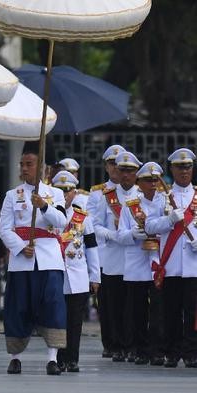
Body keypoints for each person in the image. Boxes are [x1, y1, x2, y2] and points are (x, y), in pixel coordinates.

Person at [0, 141, 68, 376]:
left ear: (41, 167)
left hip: (49, 257)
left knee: (52, 305)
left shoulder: (55, 193)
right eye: (22, 164)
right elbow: (4, 229)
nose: (24, 168)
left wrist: (45, 206)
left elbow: (62, 223)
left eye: (29, 164)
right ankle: (15, 357)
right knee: (18, 307)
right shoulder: (11, 195)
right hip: (22, 260)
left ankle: (52, 358)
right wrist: (19, 247)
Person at [145, 148, 197, 368]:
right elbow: (149, 225)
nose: (184, 171)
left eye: (188, 166)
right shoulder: (162, 197)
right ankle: (172, 352)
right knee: (171, 311)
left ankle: (192, 352)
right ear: (172, 169)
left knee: (193, 312)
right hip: (172, 263)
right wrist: (169, 220)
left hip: (194, 265)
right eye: (179, 167)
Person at [92, 150, 141, 362]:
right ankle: (116, 344)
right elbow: (94, 225)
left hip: (137, 258)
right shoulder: (106, 197)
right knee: (114, 306)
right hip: (112, 257)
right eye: (121, 169)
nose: (124, 174)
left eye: (129, 170)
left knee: (135, 307)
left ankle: (133, 345)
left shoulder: (142, 194)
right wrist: (114, 235)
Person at [52, 171, 100, 372]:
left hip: (78, 277)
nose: (65, 194)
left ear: (75, 192)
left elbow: (92, 247)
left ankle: (73, 359)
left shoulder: (82, 217)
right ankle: (58, 358)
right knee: (57, 320)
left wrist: (95, 275)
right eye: (60, 190)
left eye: (68, 190)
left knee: (75, 321)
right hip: (55, 275)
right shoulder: (49, 215)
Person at [117, 162, 164, 365]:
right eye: (147, 180)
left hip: (159, 262)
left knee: (158, 310)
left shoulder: (166, 203)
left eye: (155, 180)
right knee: (136, 311)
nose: (152, 184)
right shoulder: (131, 205)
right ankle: (139, 348)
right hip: (137, 263)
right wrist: (133, 234)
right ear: (139, 182)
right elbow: (121, 235)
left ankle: (156, 349)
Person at [87, 144, 125, 359]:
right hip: (106, 254)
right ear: (106, 166)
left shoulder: (134, 190)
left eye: (120, 164)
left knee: (127, 303)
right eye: (112, 164)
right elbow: (91, 223)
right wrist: (112, 234)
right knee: (107, 304)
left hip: (129, 255)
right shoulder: (98, 193)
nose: (116, 168)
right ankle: (110, 343)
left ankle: (127, 342)